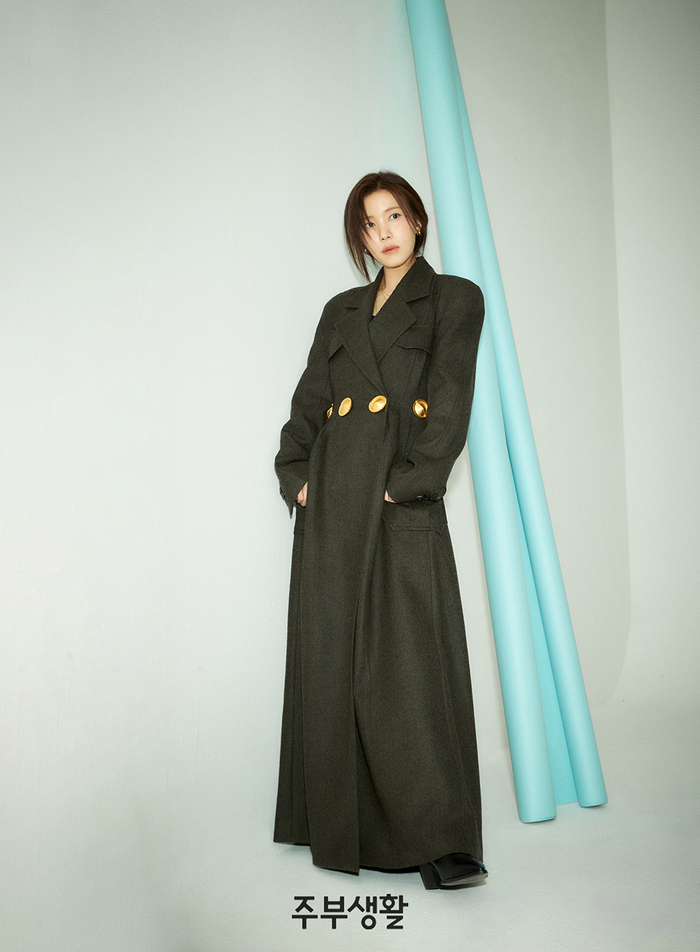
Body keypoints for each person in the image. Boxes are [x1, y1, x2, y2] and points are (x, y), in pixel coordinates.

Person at [273, 171, 487, 890]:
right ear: (359, 237)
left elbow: (450, 399)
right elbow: (309, 402)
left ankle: (442, 840)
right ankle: (335, 823)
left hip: (397, 499)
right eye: (370, 223)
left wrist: (407, 484)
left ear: (417, 220)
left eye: (394, 215)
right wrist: (297, 476)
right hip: (334, 501)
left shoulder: (453, 298)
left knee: (408, 667)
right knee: (333, 662)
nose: (384, 232)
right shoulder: (340, 311)